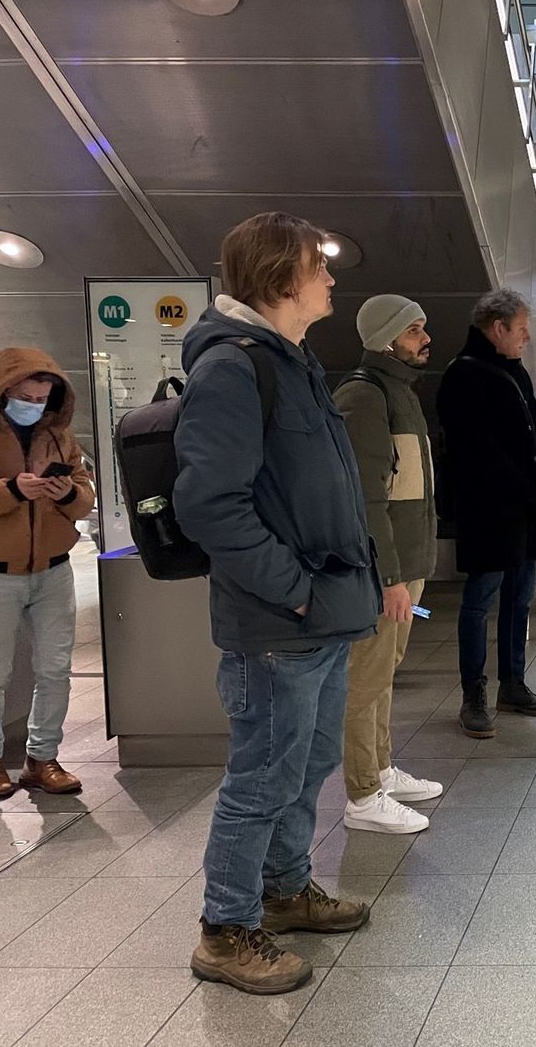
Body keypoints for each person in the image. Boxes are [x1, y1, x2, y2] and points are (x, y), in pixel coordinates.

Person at [175, 212, 382, 994]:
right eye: (317, 267)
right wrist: (293, 593)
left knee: (308, 764)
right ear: (278, 278)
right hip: (279, 620)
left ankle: (286, 891)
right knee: (263, 774)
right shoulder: (234, 368)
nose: (330, 279)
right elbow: (211, 504)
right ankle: (226, 928)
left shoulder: (292, 359)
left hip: (321, 612)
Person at [0, 349, 94, 799]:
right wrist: (11, 489)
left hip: (53, 569)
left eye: (43, 397)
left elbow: (85, 498)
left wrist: (66, 494)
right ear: (2, 390)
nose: (34, 404)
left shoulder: (58, 436)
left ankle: (42, 758)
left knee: (55, 670)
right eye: (25, 395)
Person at [333, 295, 446, 835]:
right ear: (385, 338)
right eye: (413, 329)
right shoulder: (366, 395)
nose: (425, 337)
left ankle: (379, 769)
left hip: (407, 561)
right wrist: (389, 577)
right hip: (387, 570)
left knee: (383, 674)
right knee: (366, 677)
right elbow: (366, 499)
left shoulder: (399, 392)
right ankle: (361, 795)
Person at [438, 290, 536, 739]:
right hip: (490, 512)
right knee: (479, 601)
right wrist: (532, 493)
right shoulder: (463, 376)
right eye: (521, 327)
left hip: (525, 512)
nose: (528, 335)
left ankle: (513, 683)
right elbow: (479, 454)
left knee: (520, 597)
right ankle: (474, 694)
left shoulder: (513, 370)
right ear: (498, 329)